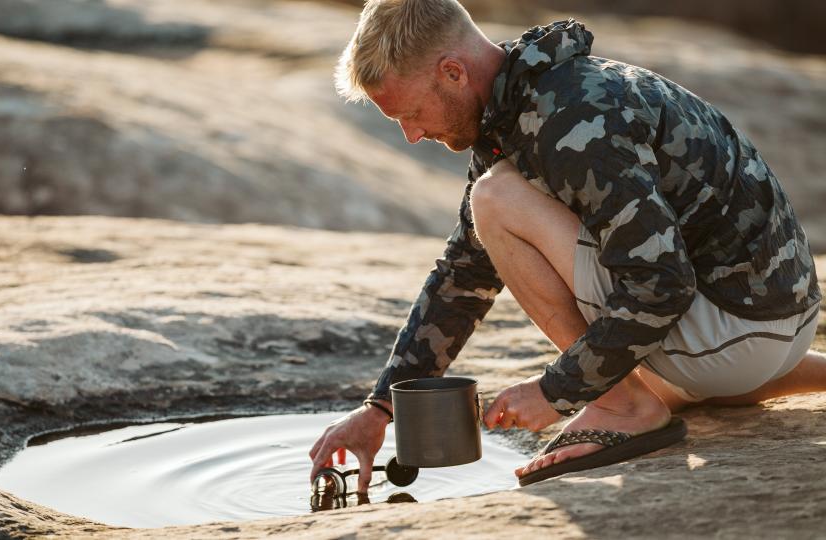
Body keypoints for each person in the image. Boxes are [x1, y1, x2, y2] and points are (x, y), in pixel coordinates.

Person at [309, 0, 824, 489]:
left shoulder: (570, 122)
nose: (411, 135)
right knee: (629, 351)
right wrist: (380, 409)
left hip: (746, 329)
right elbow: (465, 273)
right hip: (773, 320)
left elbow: (661, 284)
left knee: (495, 199)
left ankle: (626, 406)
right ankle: (717, 379)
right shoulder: (528, 99)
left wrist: (556, 392)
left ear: (452, 72)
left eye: (411, 112)